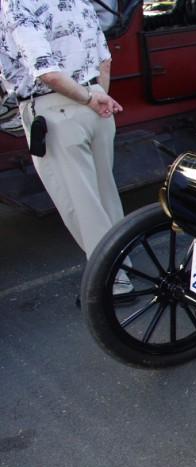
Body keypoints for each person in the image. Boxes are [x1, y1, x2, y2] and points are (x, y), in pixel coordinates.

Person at [0, 0, 130, 293]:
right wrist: (95, 98)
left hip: (57, 109)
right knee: (105, 195)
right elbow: (104, 61)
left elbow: (47, 72)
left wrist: (84, 99)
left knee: (82, 205)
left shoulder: (17, 3)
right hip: (96, 100)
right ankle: (124, 268)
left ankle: (113, 284)